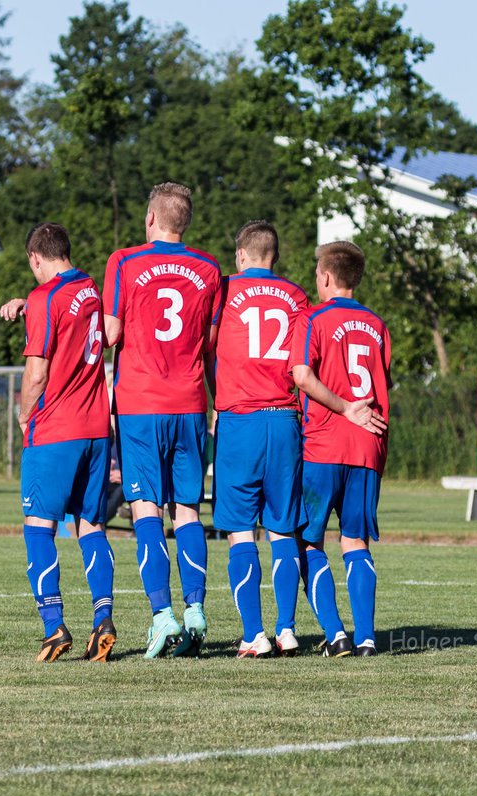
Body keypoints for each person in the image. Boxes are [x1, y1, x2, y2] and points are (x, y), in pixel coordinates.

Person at [102, 182, 223, 659]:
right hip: (191, 401)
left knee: (145, 508)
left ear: (151, 217)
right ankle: (195, 611)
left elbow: (111, 331)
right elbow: (210, 342)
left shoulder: (125, 261)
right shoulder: (210, 268)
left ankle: (162, 616)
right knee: (189, 510)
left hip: (140, 404)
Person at [0, 222, 117, 662]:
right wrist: (26, 305)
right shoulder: (89, 289)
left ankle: (54, 627)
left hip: (55, 430)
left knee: (39, 527)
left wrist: (23, 414)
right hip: (95, 429)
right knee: (90, 526)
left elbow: (37, 373)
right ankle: (102, 618)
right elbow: (75, 320)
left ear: (35, 257)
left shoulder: (44, 297)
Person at [210, 221, 309, 658]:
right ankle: (286, 629)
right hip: (286, 418)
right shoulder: (297, 296)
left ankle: (254, 635)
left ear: (240, 254)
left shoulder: (225, 289)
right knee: (283, 529)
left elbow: (204, 341)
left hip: (241, 420)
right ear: (275, 256)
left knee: (239, 532)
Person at [288, 241, 390, 658]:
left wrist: (346, 408)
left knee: (307, 542)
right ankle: (366, 638)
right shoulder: (379, 325)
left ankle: (335, 634)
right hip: (369, 445)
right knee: (355, 541)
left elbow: (302, 376)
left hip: (325, 442)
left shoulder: (312, 318)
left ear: (326, 277)